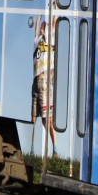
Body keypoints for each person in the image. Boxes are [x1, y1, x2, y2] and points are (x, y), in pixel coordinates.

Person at [31, 19, 55, 151]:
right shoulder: (36, 40)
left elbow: (53, 22)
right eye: (42, 25)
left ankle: (54, 148)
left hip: (45, 82)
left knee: (48, 120)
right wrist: (39, 17)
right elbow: (36, 25)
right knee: (34, 119)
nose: (42, 26)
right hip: (35, 82)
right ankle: (32, 148)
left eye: (44, 26)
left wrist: (55, 8)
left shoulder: (49, 38)